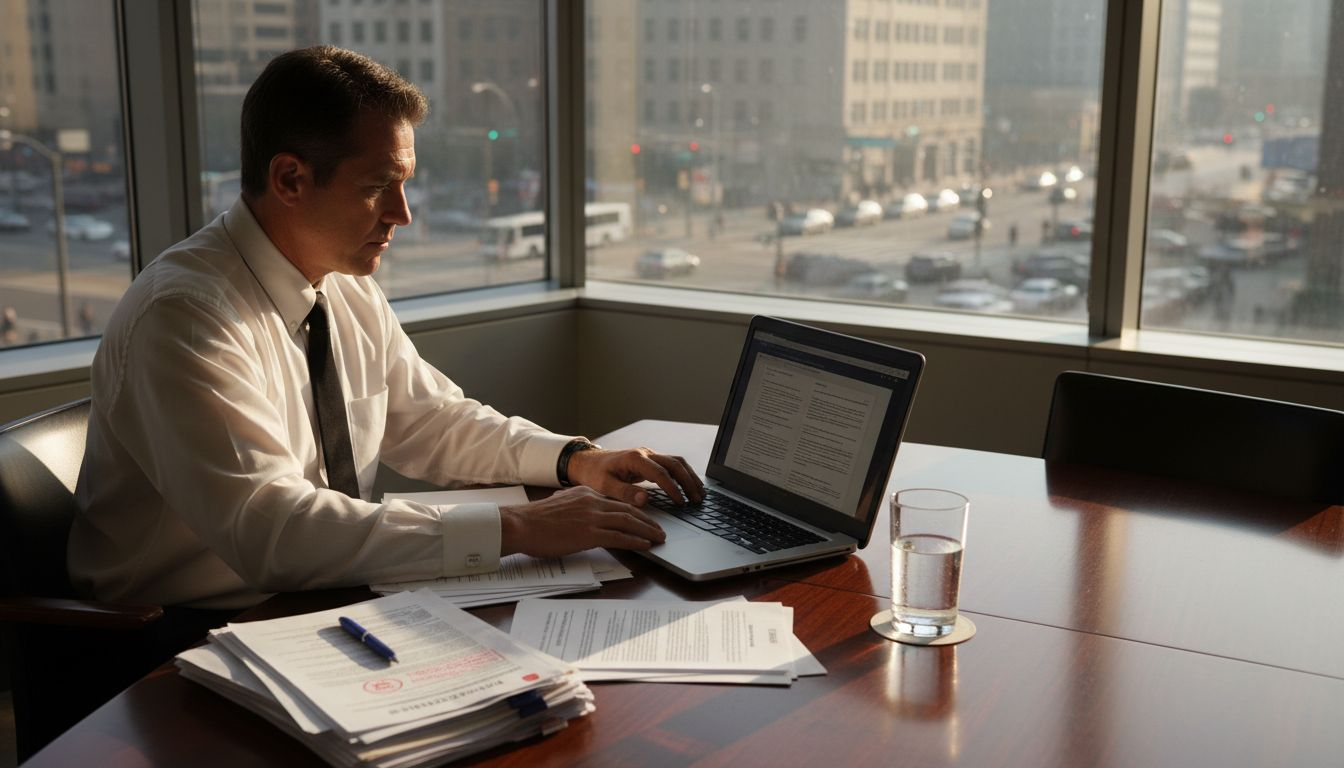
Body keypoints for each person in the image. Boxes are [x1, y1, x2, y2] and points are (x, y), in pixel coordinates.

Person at [70, 46, 703, 617]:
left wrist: (573, 460)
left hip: (321, 598)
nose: (402, 214)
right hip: (176, 641)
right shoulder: (184, 315)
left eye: (404, 184)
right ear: (290, 178)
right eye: (379, 187)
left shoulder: (341, 283)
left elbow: (430, 420)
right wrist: (516, 528)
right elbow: (274, 532)